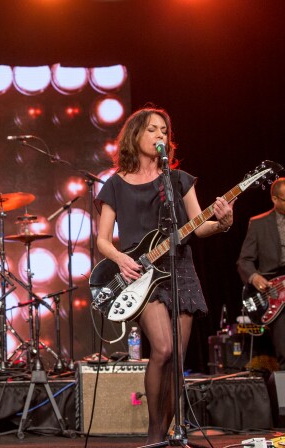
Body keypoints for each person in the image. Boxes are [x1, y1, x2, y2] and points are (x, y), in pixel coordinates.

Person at [95, 106, 234, 443]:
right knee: (164, 349)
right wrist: (121, 259)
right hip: (140, 275)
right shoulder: (115, 185)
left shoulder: (177, 180)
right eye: (152, 129)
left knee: (177, 362)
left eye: (164, 131)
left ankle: (172, 435)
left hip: (179, 269)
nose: (160, 135)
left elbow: (199, 227)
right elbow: (102, 239)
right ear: (135, 135)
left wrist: (224, 221)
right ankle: (154, 431)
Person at [237, 177, 285, 370]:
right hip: (276, 293)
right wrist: (255, 277)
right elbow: (244, 260)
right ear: (275, 199)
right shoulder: (258, 224)